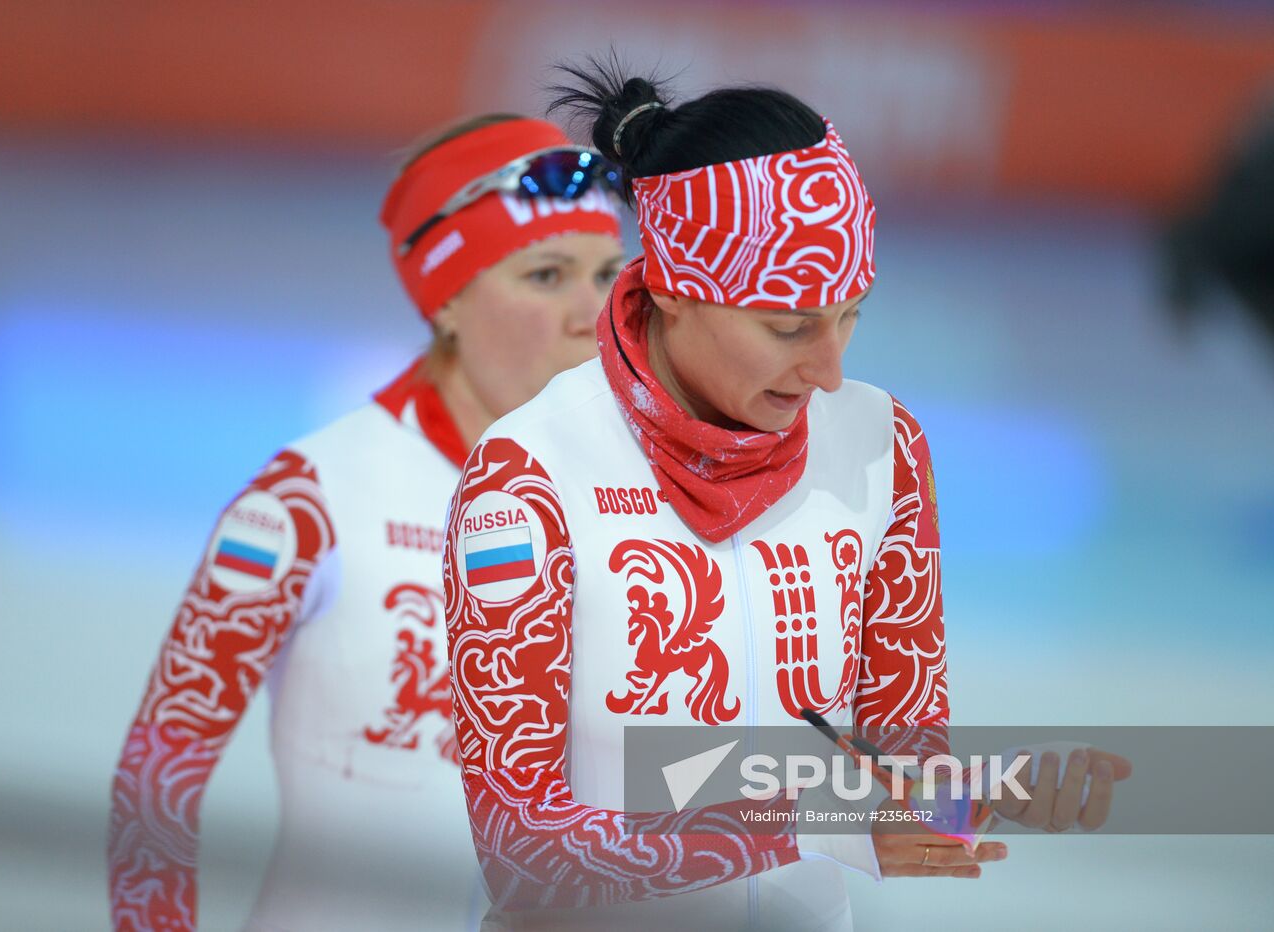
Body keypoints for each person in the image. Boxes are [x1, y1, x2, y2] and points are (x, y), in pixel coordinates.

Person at [442, 64, 1125, 931]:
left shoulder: (883, 442)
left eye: (851, 315)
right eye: (789, 326)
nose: (830, 370)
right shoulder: (528, 476)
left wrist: (988, 792)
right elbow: (519, 848)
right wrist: (817, 820)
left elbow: (897, 763)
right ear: (673, 289)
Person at [107, 114, 627, 932]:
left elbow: (662, 774)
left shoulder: (637, 502)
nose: (590, 315)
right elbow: (160, 767)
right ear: (447, 301)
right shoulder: (308, 502)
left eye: (607, 275)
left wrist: (814, 786)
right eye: (545, 276)